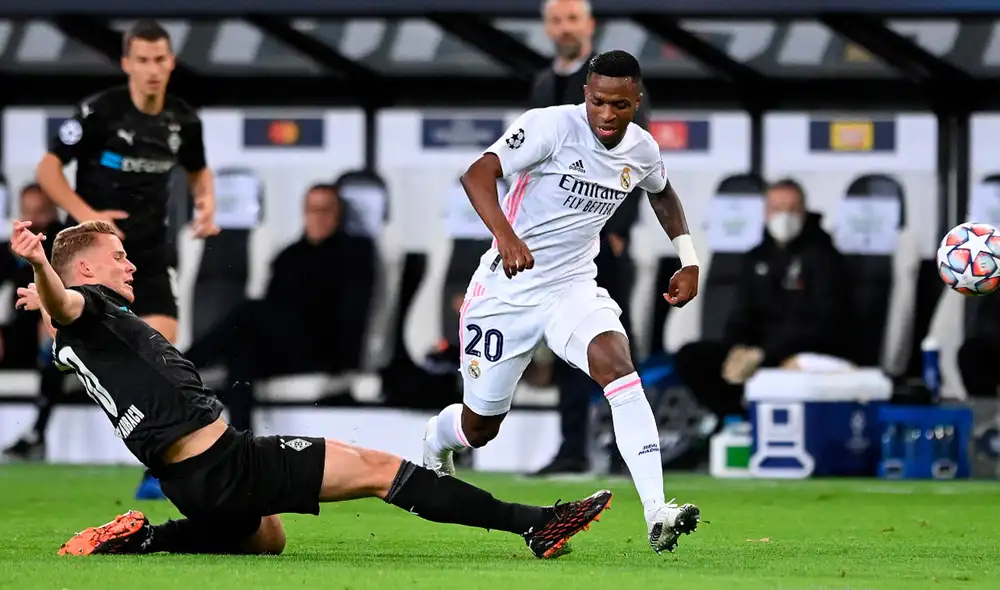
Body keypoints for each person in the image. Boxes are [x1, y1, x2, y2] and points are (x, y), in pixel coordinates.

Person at [9, 219, 611, 559]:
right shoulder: (86, 305)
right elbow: (68, 304)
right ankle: (535, 523)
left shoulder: (86, 326)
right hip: (225, 463)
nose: (130, 264)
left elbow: (64, 312)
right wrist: (42, 269)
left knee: (267, 539)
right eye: (118, 256)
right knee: (379, 469)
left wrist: (47, 293)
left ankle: (144, 538)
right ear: (84, 270)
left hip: (192, 479)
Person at [421, 51, 702, 554]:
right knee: (479, 427)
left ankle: (658, 511)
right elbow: (477, 174)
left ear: (637, 102)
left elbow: (661, 192)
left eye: (620, 105)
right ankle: (436, 439)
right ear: (586, 95)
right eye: (598, 101)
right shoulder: (549, 127)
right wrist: (506, 237)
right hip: (507, 290)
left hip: (571, 286)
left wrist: (689, 259)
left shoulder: (641, 148)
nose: (607, 114)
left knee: (619, 367)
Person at [34, 19, 220, 499]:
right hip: (90, 252)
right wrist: (88, 215)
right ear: (126, 63)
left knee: (162, 348)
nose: (152, 69)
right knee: (61, 341)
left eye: (160, 60)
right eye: (142, 60)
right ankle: (38, 422)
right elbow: (48, 169)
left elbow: (199, 171)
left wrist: (206, 203)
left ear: (171, 62)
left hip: (149, 253)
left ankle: (160, 464)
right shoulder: (100, 111)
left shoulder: (183, 120)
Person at [530, 0, 649, 476]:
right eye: (557, 20)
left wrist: (618, 231)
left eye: (572, 19)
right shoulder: (543, 84)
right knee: (563, 341)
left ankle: (628, 450)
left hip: (602, 239)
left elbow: (638, 156)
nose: (565, 28)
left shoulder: (616, 82)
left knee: (615, 343)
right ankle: (571, 448)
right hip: (554, 242)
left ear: (589, 25)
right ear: (547, 28)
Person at [673, 179, 853, 421]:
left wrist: (764, 354)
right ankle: (734, 418)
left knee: (788, 366)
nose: (784, 217)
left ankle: (752, 416)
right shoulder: (756, 257)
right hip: (755, 350)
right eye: (777, 209)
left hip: (800, 351)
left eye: (791, 209)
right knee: (692, 357)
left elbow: (825, 325)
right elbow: (741, 312)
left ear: (803, 212)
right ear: (766, 213)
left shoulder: (825, 258)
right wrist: (737, 348)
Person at [0, 184, 67, 462]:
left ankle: (36, 434)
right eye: (28, 211)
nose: (34, 219)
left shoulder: (64, 246)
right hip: (17, 334)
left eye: (40, 211)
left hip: (53, 331)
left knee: (55, 349)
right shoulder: (9, 249)